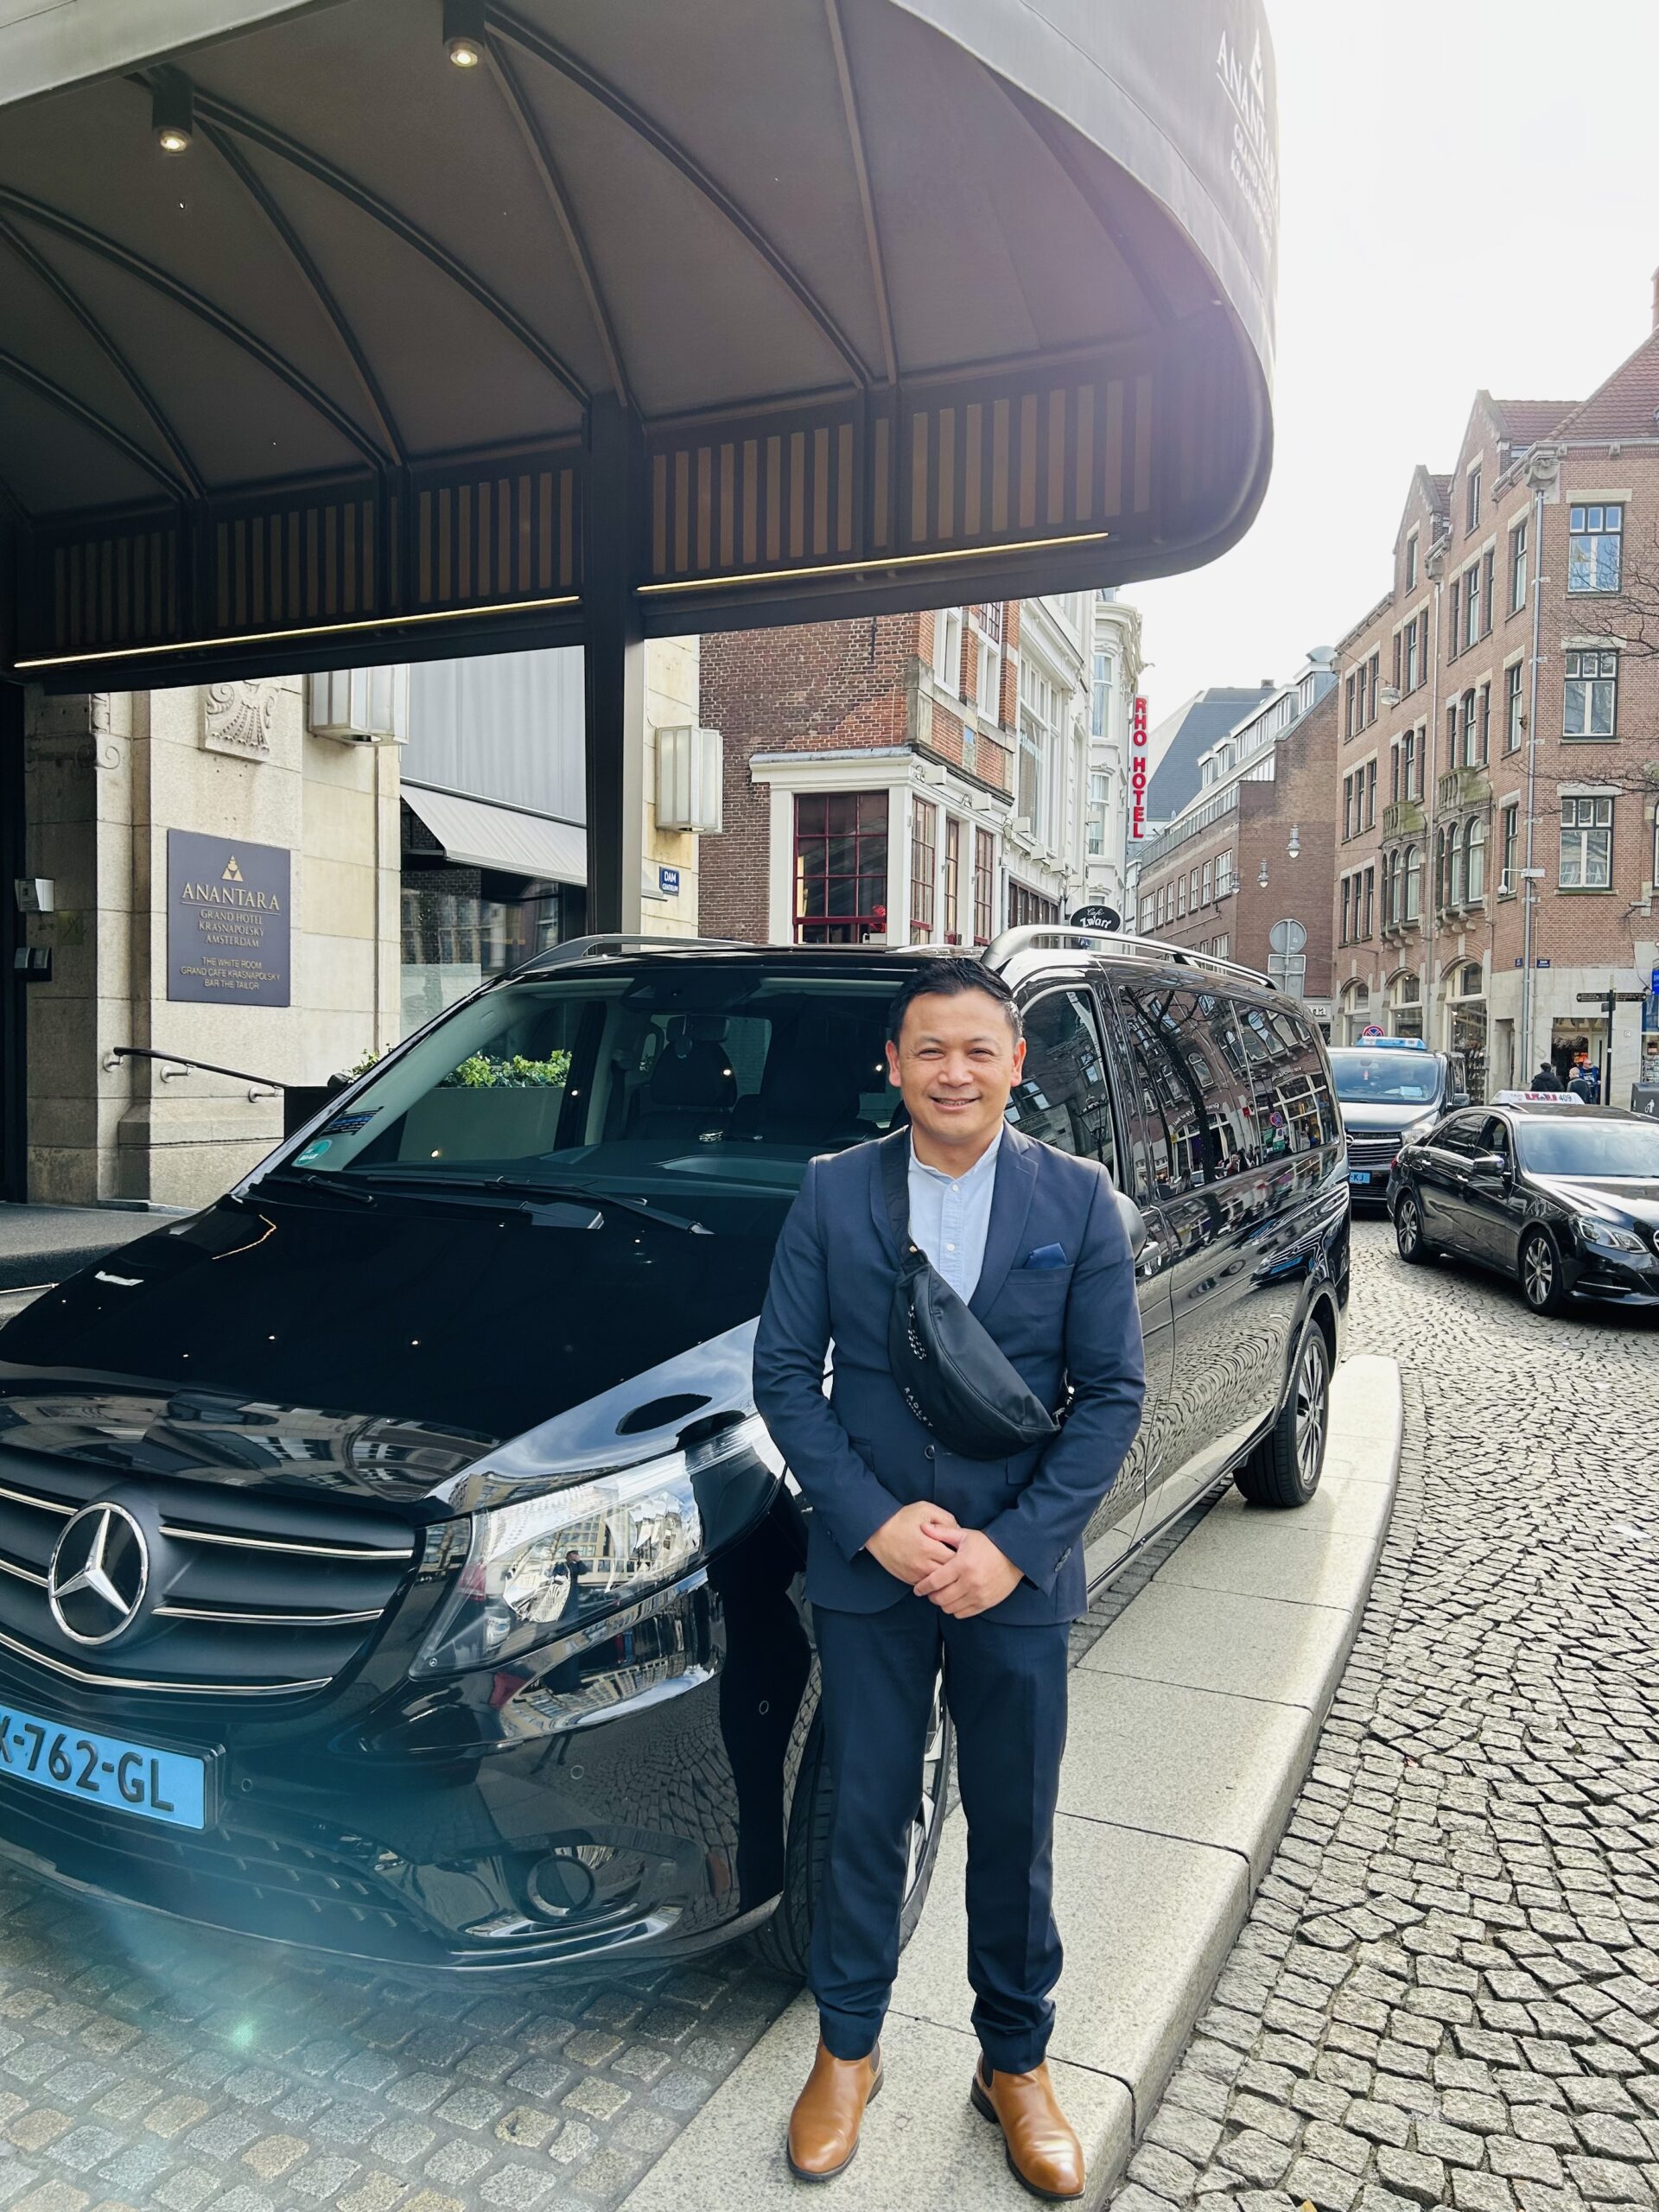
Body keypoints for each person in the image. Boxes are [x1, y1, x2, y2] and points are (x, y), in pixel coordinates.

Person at [753, 959, 1146, 2198]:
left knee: (1015, 1828)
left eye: (980, 1049)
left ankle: (1014, 2063)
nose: (955, 1072)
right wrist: (871, 1524)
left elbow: (1111, 1396)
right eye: (931, 1050)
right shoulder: (830, 1194)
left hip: (1014, 1580)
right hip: (873, 1575)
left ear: (1016, 1064)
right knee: (863, 1816)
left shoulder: (1078, 1201)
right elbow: (781, 1379)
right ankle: (848, 2051)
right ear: (895, 1064)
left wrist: (1014, 1548)